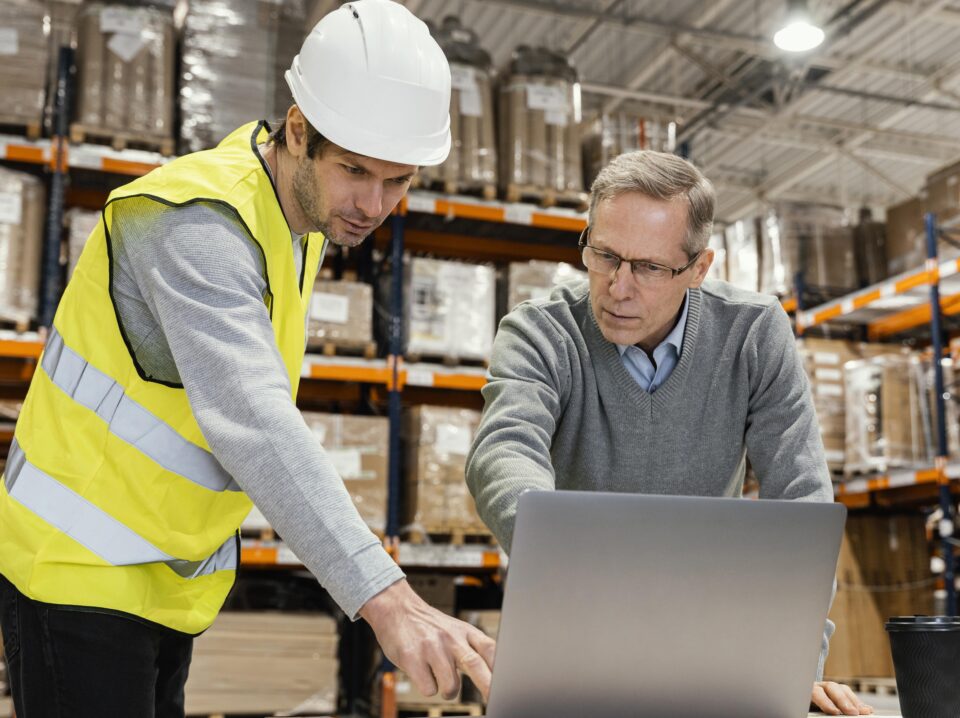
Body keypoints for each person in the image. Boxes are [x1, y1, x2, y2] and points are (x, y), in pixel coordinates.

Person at [0, 2, 494, 716]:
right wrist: (388, 600)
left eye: (398, 180)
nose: (373, 204)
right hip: (78, 572)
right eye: (355, 170)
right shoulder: (195, 222)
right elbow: (252, 416)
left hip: (162, 581)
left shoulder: (300, 220)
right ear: (298, 130)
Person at [465, 150, 873, 717]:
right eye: (603, 255)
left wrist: (795, 662)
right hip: (571, 643)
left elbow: (802, 498)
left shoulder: (753, 333)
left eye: (649, 267)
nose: (617, 286)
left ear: (699, 269)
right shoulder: (540, 331)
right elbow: (504, 451)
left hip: (711, 655)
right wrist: (565, 554)